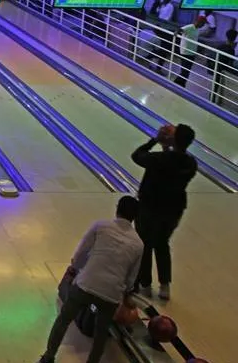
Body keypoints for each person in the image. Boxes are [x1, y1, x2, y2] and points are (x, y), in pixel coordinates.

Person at [38, 196, 143, 363]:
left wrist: (75, 270)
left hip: (86, 284)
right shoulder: (138, 244)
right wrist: (124, 294)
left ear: (117, 209)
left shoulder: (101, 226)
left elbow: (81, 254)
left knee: (63, 320)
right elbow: (131, 278)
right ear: (135, 217)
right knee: (100, 335)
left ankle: (48, 357)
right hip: (111, 295)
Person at [131, 124, 197, 300]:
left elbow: (137, 156)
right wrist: (167, 147)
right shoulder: (191, 163)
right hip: (173, 210)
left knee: (144, 244)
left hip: (150, 207)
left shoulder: (159, 159)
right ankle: (164, 285)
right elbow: (173, 161)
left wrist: (155, 140)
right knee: (162, 243)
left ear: (173, 139)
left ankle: (145, 284)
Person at [173, 16, 207, 87]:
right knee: (185, 71)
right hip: (185, 52)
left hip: (192, 53)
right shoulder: (190, 27)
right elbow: (180, 29)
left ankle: (181, 85)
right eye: (203, 24)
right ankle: (176, 84)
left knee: (186, 71)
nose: (203, 25)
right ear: (199, 22)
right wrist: (176, 32)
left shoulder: (197, 30)